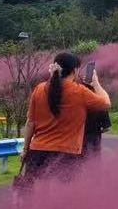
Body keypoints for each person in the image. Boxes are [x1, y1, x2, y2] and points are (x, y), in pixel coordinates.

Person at [18, 52, 110, 185]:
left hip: (37, 154)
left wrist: (26, 150)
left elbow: (30, 123)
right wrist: (95, 83)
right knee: (62, 202)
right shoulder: (80, 92)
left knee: (33, 200)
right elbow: (106, 103)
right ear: (75, 70)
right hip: (67, 156)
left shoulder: (39, 89)